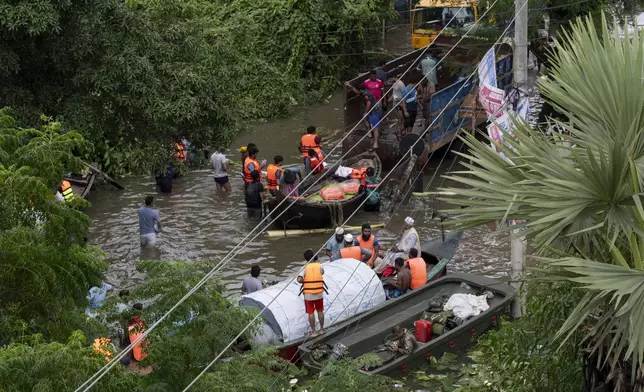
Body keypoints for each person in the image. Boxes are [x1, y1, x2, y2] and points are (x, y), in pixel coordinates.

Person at [297, 250, 327, 336]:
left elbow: (299, 279)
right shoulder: (320, 266)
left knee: (310, 313)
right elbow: (322, 273)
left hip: (309, 294)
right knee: (320, 311)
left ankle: (313, 331)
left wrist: (302, 280)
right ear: (314, 256)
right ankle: (321, 329)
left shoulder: (304, 268)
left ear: (305, 258)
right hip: (319, 293)